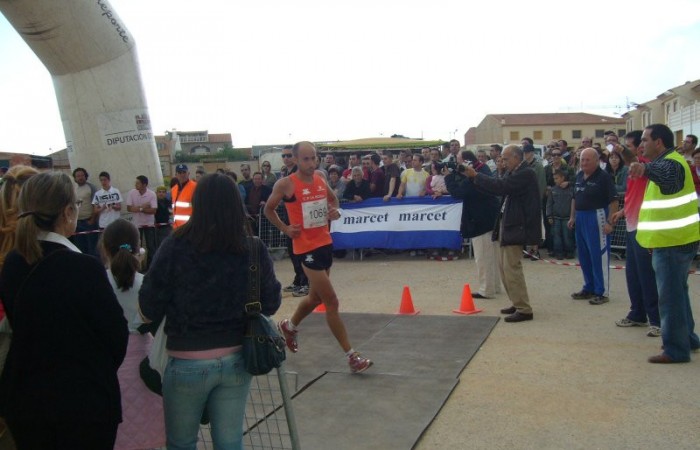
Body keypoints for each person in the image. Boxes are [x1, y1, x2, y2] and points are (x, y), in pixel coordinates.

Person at [139, 173, 282, 447]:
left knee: (182, 443)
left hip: (186, 360)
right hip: (238, 358)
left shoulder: (175, 245)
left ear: (198, 204)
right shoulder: (252, 248)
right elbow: (272, 302)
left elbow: (149, 303)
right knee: (230, 442)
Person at [0, 172, 128, 449]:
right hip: (83, 406)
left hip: (26, 402)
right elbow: (116, 337)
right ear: (68, 211)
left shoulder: (12, 263)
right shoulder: (85, 268)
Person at [264, 141, 373, 373]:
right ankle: (352, 356)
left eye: (314, 158)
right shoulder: (286, 184)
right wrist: (285, 229)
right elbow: (268, 209)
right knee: (331, 301)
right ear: (294, 159)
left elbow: (334, 202)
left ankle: (290, 326)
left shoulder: (320, 180)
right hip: (305, 249)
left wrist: (336, 211)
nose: (311, 163)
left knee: (315, 299)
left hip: (324, 245)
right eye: (306, 159)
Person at [630, 124, 700, 363]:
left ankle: (676, 350)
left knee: (670, 296)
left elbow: (667, 178)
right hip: (675, 240)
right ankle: (688, 339)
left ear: (658, 142)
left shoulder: (669, 163)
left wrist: (645, 169)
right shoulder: (672, 161)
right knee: (677, 293)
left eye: (645, 139)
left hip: (673, 242)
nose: (641, 144)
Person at [101, 219, 165, 450]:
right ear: (139, 248)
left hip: (109, 368)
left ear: (105, 248)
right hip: (147, 366)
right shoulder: (147, 283)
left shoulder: (97, 283)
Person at [464, 145, 541, 322]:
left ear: (516, 157)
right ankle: (517, 302)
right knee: (505, 268)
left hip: (517, 226)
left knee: (511, 268)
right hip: (508, 224)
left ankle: (524, 308)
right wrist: (474, 179)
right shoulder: (515, 172)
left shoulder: (525, 173)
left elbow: (501, 186)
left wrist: (476, 176)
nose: (503, 162)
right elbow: (496, 188)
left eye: (506, 159)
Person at [610, 130, 661, 338]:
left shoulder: (644, 165)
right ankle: (637, 313)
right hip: (631, 224)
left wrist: (619, 147)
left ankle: (656, 320)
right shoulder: (633, 170)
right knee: (633, 274)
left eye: (629, 146)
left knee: (647, 275)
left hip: (644, 227)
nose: (626, 152)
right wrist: (622, 211)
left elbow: (631, 158)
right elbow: (633, 195)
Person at [447, 151, 501, 299]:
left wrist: (448, 177)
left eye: (459, 162)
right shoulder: (483, 170)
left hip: (480, 221)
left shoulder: (474, 177)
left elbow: (458, 192)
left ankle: (486, 289)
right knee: (493, 256)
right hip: (489, 219)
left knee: (483, 257)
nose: (458, 166)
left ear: (466, 162)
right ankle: (494, 286)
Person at [568, 148, 618, 305]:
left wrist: (610, 222)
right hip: (581, 217)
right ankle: (588, 287)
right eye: (582, 160)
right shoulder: (579, 176)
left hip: (596, 216)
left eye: (587, 160)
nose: (584, 163)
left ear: (597, 161)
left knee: (598, 255)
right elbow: (575, 198)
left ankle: (602, 291)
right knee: (584, 255)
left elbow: (614, 201)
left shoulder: (604, 177)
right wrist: (572, 217)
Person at [125, 175, 157, 269]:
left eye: (138, 183)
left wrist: (138, 209)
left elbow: (153, 210)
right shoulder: (132, 193)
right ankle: (137, 267)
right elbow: (129, 208)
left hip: (149, 224)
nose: (136, 184)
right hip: (137, 224)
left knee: (151, 246)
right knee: (136, 247)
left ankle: (151, 267)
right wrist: (143, 207)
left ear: (144, 184)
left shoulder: (151, 194)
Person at [546, 169, 575, 260]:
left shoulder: (571, 189)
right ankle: (558, 252)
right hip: (556, 217)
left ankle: (569, 251)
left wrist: (573, 216)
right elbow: (549, 204)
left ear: (563, 178)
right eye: (554, 179)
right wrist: (549, 215)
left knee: (568, 236)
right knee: (556, 236)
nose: (555, 180)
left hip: (567, 218)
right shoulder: (553, 190)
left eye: (557, 178)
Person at [70, 167, 99, 255]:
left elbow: (96, 205)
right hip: (77, 223)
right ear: (75, 178)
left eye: (82, 175)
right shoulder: (73, 189)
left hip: (89, 222)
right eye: (78, 176)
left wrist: (92, 220)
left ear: (85, 176)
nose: (80, 177)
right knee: (80, 249)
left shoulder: (91, 187)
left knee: (93, 248)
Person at [171, 164, 197, 228]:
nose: (182, 175)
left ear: (188, 173)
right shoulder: (174, 189)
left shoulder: (195, 187)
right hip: (177, 227)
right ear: (176, 175)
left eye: (184, 172)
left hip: (190, 227)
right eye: (179, 173)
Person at [154, 185, 172, 251]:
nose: (161, 193)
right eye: (159, 192)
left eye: (163, 192)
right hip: (157, 228)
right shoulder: (154, 203)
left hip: (168, 227)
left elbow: (171, 212)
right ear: (156, 193)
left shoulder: (169, 202)